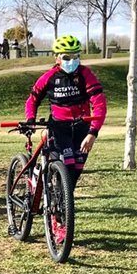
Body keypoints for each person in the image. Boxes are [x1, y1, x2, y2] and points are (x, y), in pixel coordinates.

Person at [24, 35, 107, 190]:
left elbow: (99, 103)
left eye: (76, 56)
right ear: (57, 58)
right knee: (67, 167)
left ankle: (63, 199)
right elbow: (32, 100)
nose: (72, 61)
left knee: (76, 171)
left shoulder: (85, 74)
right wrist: (30, 119)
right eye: (66, 57)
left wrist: (93, 132)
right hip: (59, 129)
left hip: (82, 128)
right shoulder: (48, 77)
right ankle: (57, 195)